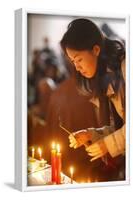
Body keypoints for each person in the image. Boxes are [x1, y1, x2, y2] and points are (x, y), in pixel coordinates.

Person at [60, 18, 125, 178]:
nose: (77, 67)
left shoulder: (125, 68)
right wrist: (91, 135)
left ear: (96, 49)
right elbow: (121, 126)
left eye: (79, 59)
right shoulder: (105, 79)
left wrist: (107, 145)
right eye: (73, 61)